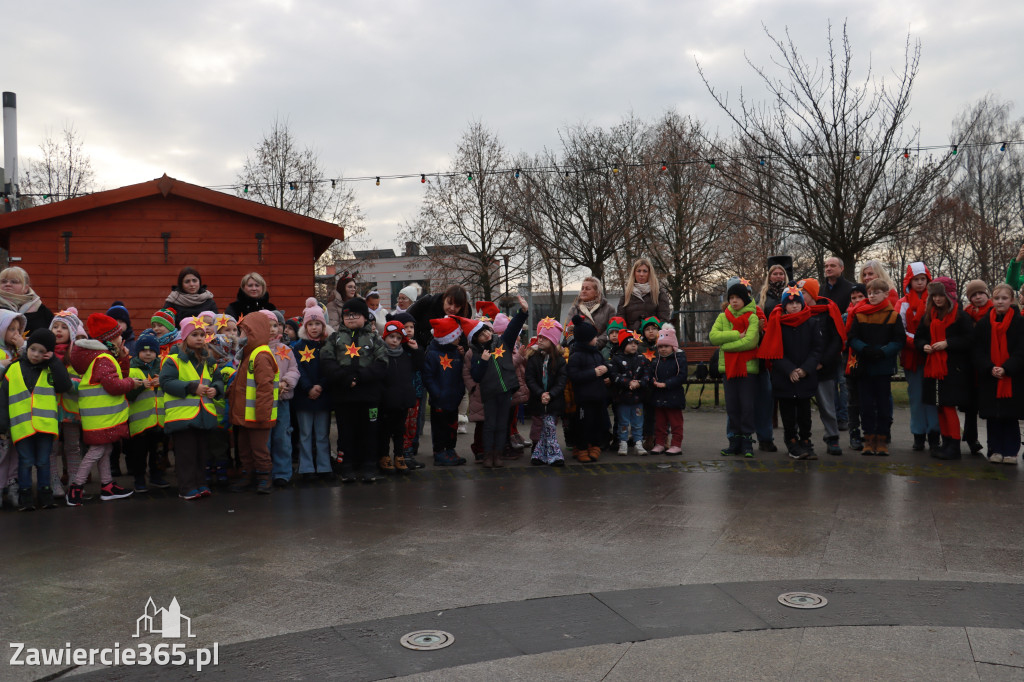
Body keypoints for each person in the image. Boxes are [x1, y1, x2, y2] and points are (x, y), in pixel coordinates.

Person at [65, 314, 139, 506]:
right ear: (110, 338)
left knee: (105, 449)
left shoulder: (103, 357)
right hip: (101, 416)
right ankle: (76, 487)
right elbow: (114, 385)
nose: (122, 338)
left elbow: (118, 375)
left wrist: (123, 358)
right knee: (97, 450)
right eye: (118, 335)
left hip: (99, 416)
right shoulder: (104, 358)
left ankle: (107, 486)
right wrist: (132, 383)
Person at [0, 328, 72, 510]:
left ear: (48, 353)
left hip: (45, 425)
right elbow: (3, 399)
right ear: (28, 347)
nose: (36, 354)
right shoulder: (13, 368)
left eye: (42, 351)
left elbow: (65, 385)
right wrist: (2, 424)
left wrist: (54, 361)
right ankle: (26, 497)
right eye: (33, 349)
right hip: (21, 425)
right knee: (25, 461)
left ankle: (45, 496)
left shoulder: (50, 369)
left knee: (43, 461)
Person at [320, 297, 388, 483]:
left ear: (365, 317)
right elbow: (326, 361)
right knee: (345, 433)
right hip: (344, 396)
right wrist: (345, 378)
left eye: (355, 314)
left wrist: (360, 377)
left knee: (370, 432)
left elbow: (382, 363)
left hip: (369, 395)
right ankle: (346, 466)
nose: (350, 318)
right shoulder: (334, 338)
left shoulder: (374, 339)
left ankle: (369, 466)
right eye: (347, 315)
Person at [160, 317, 224, 500]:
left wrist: (216, 389)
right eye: (194, 334)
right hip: (182, 416)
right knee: (186, 455)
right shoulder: (173, 360)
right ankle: (186, 487)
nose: (199, 338)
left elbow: (218, 380)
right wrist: (191, 387)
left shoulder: (209, 361)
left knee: (202, 453)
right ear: (185, 337)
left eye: (202, 335)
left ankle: (201, 484)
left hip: (204, 415)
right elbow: (166, 382)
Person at [759, 286, 822, 459]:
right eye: (790, 303)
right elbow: (773, 351)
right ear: (784, 305)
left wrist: (806, 369)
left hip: (805, 377)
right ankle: (791, 441)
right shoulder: (777, 323)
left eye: (797, 302)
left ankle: (806, 441)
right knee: (787, 413)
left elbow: (817, 349)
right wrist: (789, 369)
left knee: (804, 413)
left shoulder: (811, 323)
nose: (794, 306)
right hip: (784, 377)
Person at [466, 297, 529, 468]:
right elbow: (476, 376)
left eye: (487, 331)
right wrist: (483, 361)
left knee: (502, 425)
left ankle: (498, 454)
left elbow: (513, 328)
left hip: (505, 391)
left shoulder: (502, 342)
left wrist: (522, 312)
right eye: (481, 335)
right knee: (489, 425)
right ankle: (488, 454)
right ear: (475, 339)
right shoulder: (476, 354)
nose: (486, 335)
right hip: (489, 394)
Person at [915, 277, 974, 460]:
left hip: (953, 369)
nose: (937, 299)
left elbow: (969, 340)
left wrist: (948, 343)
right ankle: (946, 442)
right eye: (934, 296)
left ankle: (954, 445)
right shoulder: (928, 316)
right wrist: (924, 346)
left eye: (941, 295)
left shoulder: (961, 316)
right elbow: (919, 337)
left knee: (948, 406)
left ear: (949, 296)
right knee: (939, 406)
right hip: (933, 368)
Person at [847, 279, 905, 456]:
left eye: (876, 293)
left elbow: (899, 340)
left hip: (883, 366)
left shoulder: (893, 316)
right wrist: (864, 349)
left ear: (886, 294)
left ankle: (882, 439)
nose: (872, 296)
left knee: (883, 405)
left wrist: (883, 351)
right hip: (864, 366)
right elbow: (852, 337)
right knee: (866, 405)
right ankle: (869, 438)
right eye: (870, 293)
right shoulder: (860, 314)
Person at [227, 312, 278, 494]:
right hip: (245, 414)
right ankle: (248, 475)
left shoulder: (260, 355)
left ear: (253, 332)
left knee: (259, 450)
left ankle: (264, 478)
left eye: (243, 332)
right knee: (245, 449)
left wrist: (263, 413)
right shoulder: (248, 354)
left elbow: (265, 387)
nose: (239, 336)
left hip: (257, 415)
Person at [973, 283, 1024, 464]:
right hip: (990, 377)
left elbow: (1021, 350)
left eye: (1004, 298)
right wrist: (990, 367)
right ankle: (994, 449)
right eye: (997, 298)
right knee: (993, 416)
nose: (1000, 301)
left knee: (1010, 416)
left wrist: (1007, 368)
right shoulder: (983, 324)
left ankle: (1011, 451)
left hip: (1012, 377)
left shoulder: (1019, 323)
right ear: (992, 300)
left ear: (1012, 300)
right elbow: (977, 350)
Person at [710, 281, 761, 458]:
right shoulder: (723, 317)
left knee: (746, 406)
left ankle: (747, 442)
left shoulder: (752, 317)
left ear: (745, 299)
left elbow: (751, 342)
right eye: (731, 297)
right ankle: (734, 442)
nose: (734, 301)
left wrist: (726, 347)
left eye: (738, 297)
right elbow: (713, 337)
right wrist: (736, 335)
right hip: (728, 369)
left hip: (748, 369)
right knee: (732, 406)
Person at [800, 278, 847, 456]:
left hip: (824, 368)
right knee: (800, 408)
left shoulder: (827, 311)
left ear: (812, 294)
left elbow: (836, 340)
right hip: (803, 369)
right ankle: (801, 439)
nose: (800, 296)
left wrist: (823, 362)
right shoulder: (796, 312)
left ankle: (832, 437)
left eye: (803, 292)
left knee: (827, 406)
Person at [898, 262, 940, 452]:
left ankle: (934, 433)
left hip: (934, 355)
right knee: (916, 397)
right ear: (909, 281)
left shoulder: (937, 301)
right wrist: (918, 343)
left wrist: (933, 343)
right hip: (913, 356)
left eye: (923, 279)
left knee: (933, 398)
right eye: (916, 279)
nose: (920, 283)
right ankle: (918, 434)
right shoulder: (903, 303)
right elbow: (900, 329)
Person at [48, 309, 89, 498]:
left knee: (73, 447)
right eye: (55, 326)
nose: (58, 330)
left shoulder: (77, 356)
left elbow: (83, 381)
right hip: (50, 409)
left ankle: (75, 481)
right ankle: (53, 481)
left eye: (63, 327)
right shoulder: (45, 354)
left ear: (72, 332)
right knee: (51, 449)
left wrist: (67, 383)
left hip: (71, 410)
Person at [292, 298, 334, 480]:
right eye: (310, 324)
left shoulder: (328, 346)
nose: (314, 327)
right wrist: (308, 387)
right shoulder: (298, 347)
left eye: (318, 324)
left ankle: (324, 466)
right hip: (304, 397)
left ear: (323, 326)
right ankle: (306, 467)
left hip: (323, 396)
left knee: (322, 434)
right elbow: (298, 369)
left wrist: (321, 386)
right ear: (305, 326)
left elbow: (331, 368)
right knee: (305, 434)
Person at [422, 316, 467, 467]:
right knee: (440, 428)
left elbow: (460, 374)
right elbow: (428, 377)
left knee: (452, 426)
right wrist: (437, 394)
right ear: (448, 338)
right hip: (439, 400)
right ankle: (439, 452)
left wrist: (460, 392)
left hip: (454, 398)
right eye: (456, 335)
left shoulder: (456, 352)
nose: (459, 338)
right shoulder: (432, 354)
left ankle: (450, 449)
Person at [378, 320, 422, 474]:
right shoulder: (380, 354)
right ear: (385, 337)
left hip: (402, 400)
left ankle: (399, 455)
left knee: (399, 430)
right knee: (384, 431)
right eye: (391, 337)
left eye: (398, 338)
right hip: (386, 400)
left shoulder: (405, 355)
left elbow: (418, 365)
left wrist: (416, 350)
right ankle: (384, 456)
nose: (395, 341)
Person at [566, 315, 610, 463]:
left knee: (598, 423)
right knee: (584, 424)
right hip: (584, 398)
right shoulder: (576, 356)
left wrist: (606, 370)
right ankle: (582, 447)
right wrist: (593, 373)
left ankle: (595, 446)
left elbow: (605, 365)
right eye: (594, 337)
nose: (596, 339)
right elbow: (574, 375)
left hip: (599, 396)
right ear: (586, 339)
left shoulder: (597, 353)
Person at [524, 318, 567, 467]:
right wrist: (540, 393)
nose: (540, 340)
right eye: (540, 337)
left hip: (554, 400)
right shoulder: (533, 358)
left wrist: (550, 394)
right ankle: (539, 449)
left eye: (545, 338)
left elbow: (561, 381)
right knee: (538, 425)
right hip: (538, 399)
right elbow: (529, 378)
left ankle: (548, 453)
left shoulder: (559, 360)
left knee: (550, 425)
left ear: (553, 341)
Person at [125, 333, 164, 492]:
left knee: (158, 452)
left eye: (152, 351)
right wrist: (140, 386)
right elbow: (127, 395)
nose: (148, 354)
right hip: (140, 422)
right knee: (139, 453)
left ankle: (156, 476)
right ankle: (139, 479)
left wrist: (163, 381)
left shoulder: (163, 368)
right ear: (137, 352)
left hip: (159, 420)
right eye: (144, 350)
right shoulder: (131, 369)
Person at [266, 311, 299, 487]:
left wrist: (286, 381)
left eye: (276, 325)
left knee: (282, 436)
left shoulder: (285, 350)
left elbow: (294, 369)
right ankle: (264, 472)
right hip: (263, 402)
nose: (273, 329)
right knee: (265, 439)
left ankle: (282, 472)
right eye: (268, 325)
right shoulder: (255, 350)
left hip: (282, 400)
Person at [962, 280, 994, 456]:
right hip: (971, 365)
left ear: (987, 294)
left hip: (989, 362)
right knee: (970, 405)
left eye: (981, 293)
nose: (978, 297)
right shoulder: (966, 314)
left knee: (990, 406)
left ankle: (993, 442)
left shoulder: (994, 310)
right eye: (973, 295)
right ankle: (971, 438)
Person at [0, 310, 26, 508]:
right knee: (2, 451)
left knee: (16, 449)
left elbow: (31, 361)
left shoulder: (19, 350)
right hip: (1, 408)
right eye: (11, 329)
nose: (15, 333)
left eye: (18, 329)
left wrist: (22, 347)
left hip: (17, 407)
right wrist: (3, 365)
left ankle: (12, 483)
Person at [649, 325, 687, 455]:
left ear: (673, 346)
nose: (663, 349)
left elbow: (682, 376)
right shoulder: (656, 360)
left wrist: (666, 384)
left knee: (676, 422)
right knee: (660, 423)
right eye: (660, 346)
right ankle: (660, 443)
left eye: (666, 346)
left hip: (674, 396)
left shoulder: (679, 359)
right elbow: (651, 374)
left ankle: (676, 444)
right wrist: (652, 380)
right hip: (659, 396)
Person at [608, 330, 648, 455]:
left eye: (636, 343)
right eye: (630, 343)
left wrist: (639, 383)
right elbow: (614, 375)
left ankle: (638, 442)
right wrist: (628, 382)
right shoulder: (616, 359)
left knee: (638, 422)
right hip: (622, 398)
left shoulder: (642, 359)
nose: (634, 346)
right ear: (623, 344)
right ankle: (623, 442)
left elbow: (647, 375)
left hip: (638, 398)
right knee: (623, 422)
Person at [408, 284, 474, 350]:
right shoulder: (428, 302)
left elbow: (464, 339)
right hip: (418, 347)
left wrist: (462, 349)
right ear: (444, 298)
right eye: (449, 303)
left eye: (457, 306)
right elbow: (406, 318)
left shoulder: (464, 315)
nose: (452, 308)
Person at [616, 257, 671, 330]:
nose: (641, 274)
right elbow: (620, 319)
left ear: (649, 273)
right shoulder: (626, 295)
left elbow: (664, 319)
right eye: (638, 271)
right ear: (634, 273)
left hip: (653, 335)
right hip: (631, 335)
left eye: (645, 271)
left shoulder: (659, 293)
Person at [567, 277, 616, 349]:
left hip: (603, 349)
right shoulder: (574, 309)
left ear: (596, 292)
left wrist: (596, 343)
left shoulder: (609, 308)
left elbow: (611, 329)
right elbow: (569, 330)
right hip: (579, 349)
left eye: (588, 289)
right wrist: (580, 345)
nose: (584, 291)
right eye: (582, 288)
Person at [0, 267, 53, 333]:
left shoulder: (41, 310)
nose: (8, 284)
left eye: (14, 282)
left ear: (26, 288)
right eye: (3, 281)